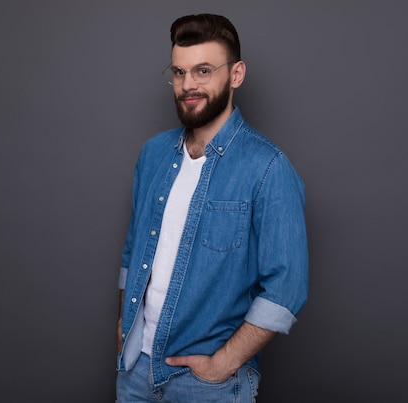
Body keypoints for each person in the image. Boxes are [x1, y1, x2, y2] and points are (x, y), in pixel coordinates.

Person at [115, 14, 309, 402]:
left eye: (203, 70)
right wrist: (124, 327)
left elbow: (287, 286)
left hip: (208, 386)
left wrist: (223, 364)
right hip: (134, 372)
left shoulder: (267, 167)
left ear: (236, 74)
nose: (188, 85)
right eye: (179, 72)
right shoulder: (153, 154)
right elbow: (134, 251)